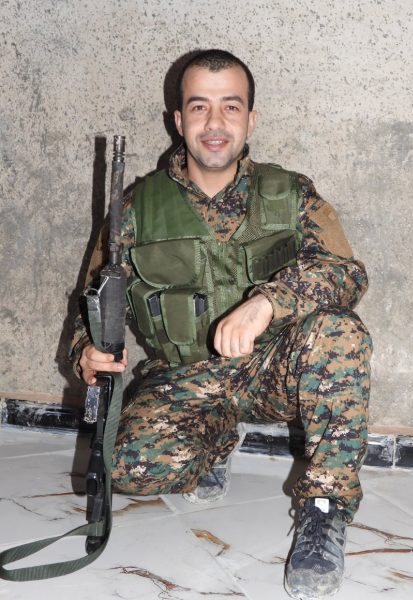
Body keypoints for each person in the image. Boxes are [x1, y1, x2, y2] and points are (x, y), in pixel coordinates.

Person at [71, 49, 372, 599]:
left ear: (250, 119)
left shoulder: (291, 193)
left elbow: (345, 274)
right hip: (184, 376)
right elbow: (93, 300)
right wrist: (85, 353)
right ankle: (215, 439)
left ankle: (324, 507)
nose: (215, 123)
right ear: (178, 119)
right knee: (129, 471)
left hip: (273, 369)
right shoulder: (134, 208)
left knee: (339, 333)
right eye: (199, 107)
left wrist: (268, 303)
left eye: (230, 107)